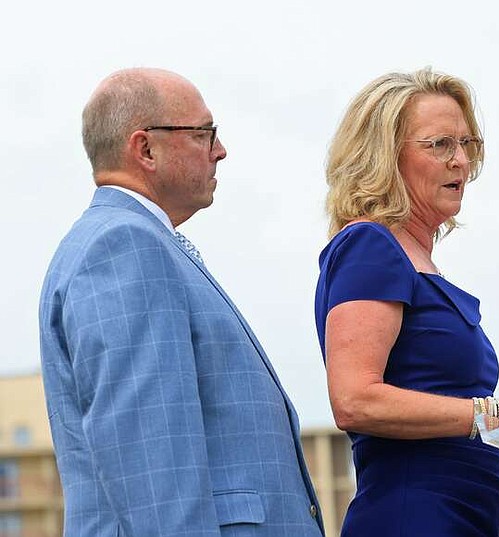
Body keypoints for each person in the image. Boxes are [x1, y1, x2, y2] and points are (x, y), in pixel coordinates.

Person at [39, 68, 324, 537]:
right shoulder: (124, 245)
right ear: (145, 148)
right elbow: (153, 466)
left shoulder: (127, 242)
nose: (220, 150)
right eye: (203, 133)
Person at [314, 68, 499, 537]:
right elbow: (354, 400)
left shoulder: (413, 261)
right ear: (384, 157)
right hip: (413, 518)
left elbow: (452, 437)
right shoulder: (371, 246)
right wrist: (496, 412)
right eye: (440, 145)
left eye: (466, 144)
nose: (461, 161)